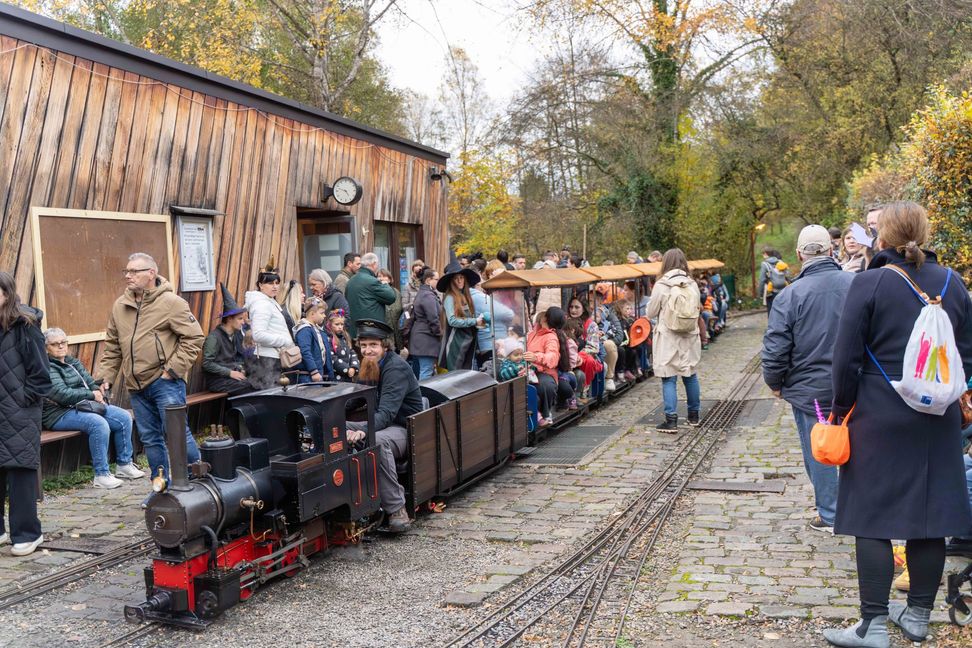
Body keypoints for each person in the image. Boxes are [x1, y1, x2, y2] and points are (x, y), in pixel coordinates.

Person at [823, 201, 972, 648]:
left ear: (881, 237)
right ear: (924, 234)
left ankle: (872, 626)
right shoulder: (955, 283)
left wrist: (839, 411)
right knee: (929, 518)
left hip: (877, 412)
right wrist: (943, 392)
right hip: (937, 417)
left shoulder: (869, 283)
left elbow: (845, 357)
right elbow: (967, 353)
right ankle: (919, 617)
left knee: (870, 517)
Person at [762, 225, 854, 535]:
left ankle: (830, 513)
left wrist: (774, 382)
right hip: (855, 385)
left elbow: (776, 347)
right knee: (859, 444)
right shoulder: (856, 283)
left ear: (800, 255)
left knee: (821, 450)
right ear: (831, 250)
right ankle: (859, 507)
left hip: (809, 391)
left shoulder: (789, 296)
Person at [96, 253, 203, 484]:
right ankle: (160, 487)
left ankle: (200, 482)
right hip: (136, 386)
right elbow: (113, 346)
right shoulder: (120, 306)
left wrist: (172, 371)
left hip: (166, 383)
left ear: (151, 273)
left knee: (177, 435)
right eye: (126, 271)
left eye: (134, 271)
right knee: (151, 440)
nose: (128, 276)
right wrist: (105, 378)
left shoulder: (172, 303)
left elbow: (194, 338)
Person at [345, 320, 424, 533]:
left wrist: (364, 430)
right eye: (363, 346)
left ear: (384, 346)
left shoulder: (395, 368)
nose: (368, 350)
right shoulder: (370, 366)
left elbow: (387, 414)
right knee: (335, 427)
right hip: (383, 423)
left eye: (373, 345)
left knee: (376, 441)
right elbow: (355, 399)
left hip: (407, 428)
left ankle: (397, 508)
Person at [43, 327, 144, 489]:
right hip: (58, 413)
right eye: (55, 344)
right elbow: (61, 394)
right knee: (98, 424)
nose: (61, 346)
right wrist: (91, 395)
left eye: (63, 342)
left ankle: (124, 465)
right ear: (46, 347)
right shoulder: (47, 367)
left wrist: (98, 393)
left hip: (84, 406)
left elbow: (89, 382)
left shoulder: (72, 362)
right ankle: (101, 475)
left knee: (123, 417)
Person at [0, 273, 52, 556]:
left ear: (6, 294)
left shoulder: (25, 326)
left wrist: (22, 402)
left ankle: (28, 533)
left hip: (19, 413)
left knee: (20, 472)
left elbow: (41, 377)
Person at [646, 248, 702, 432]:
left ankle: (671, 420)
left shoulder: (662, 285)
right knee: (690, 374)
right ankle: (694, 416)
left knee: (668, 377)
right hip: (690, 335)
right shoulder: (692, 284)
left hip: (668, 336)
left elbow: (650, 312)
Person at [244, 261, 292, 389]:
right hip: (267, 360)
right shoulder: (262, 304)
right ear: (260, 285)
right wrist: (285, 341)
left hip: (273, 358)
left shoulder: (269, 301)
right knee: (270, 398)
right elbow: (258, 335)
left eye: (277, 283)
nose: (275, 286)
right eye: (270, 283)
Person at [203, 284, 257, 395]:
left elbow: (235, 359)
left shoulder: (235, 335)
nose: (243, 322)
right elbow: (207, 363)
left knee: (258, 382)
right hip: (218, 381)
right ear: (229, 319)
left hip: (230, 378)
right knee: (250, 386)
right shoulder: (214, 337)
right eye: (240, 319)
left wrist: (240, 368)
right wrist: (229, 373)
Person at [525, 307, 573, 427]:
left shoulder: (551, 337)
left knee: (545, 386)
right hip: (527, 369)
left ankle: (545, 413)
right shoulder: (531, 334)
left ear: (546, 318)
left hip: (543, 371)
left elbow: (552, 357)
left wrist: (536, 358)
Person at [439, 265, 484, 370]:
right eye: (456, 278)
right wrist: (474, 321)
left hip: (468, 341)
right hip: (455, 343)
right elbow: (452, 321)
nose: (459, 281)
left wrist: (479, 322)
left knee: (466, 376)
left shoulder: (465, 296)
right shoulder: (450, 297)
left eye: (461, 277)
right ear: (451, 281)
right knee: (456, 377)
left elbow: (469, 318)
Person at [470, 263, 513, 368]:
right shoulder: (478, 296)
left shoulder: (474, 295)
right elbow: (509, 313)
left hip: (487, 343)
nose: (484, 282)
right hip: (492, 342)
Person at [345, 253, 396, 340]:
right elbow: (391, 297)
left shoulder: (350, 281)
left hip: (354, 331)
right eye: (377, 265)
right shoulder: (372, 281)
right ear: (374, 264)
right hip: (371, 331)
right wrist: (385, 284)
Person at [407, 268, 442, 380]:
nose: (438, 281)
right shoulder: (428, 295)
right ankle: (424, 397)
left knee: (421, 370)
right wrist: (439, 333)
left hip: (420, 337)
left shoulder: (423, 293)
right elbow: (433, 318)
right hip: (426, 338)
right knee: (426, 371)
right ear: (428, 280)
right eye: (436, 279)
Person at [292, 297, 334, 384]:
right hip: (309, 376)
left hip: (319, 375)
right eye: (322, 313)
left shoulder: (318, 330)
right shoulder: (305, 330)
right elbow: (305, 351)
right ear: (312, 314)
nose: (324, 315)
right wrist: (314, 371)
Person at [325, 311, 358, 382]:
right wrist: (346, 369)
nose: (340, 327)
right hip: (336, 378)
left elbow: (352, 352)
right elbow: (332, 358)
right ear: (330, 325)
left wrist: (353, 367)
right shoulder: (328, 339)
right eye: (337, 324)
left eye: (342, 324)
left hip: (348, 376)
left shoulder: (345, 337)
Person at [376, 269, 403, 352]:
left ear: (389, 279)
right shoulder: (376, 291)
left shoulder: (396, 292)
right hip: (384, 330)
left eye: (384, 276)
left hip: (397, 330)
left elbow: (400, 309)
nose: (381, 278)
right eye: (379, 276)